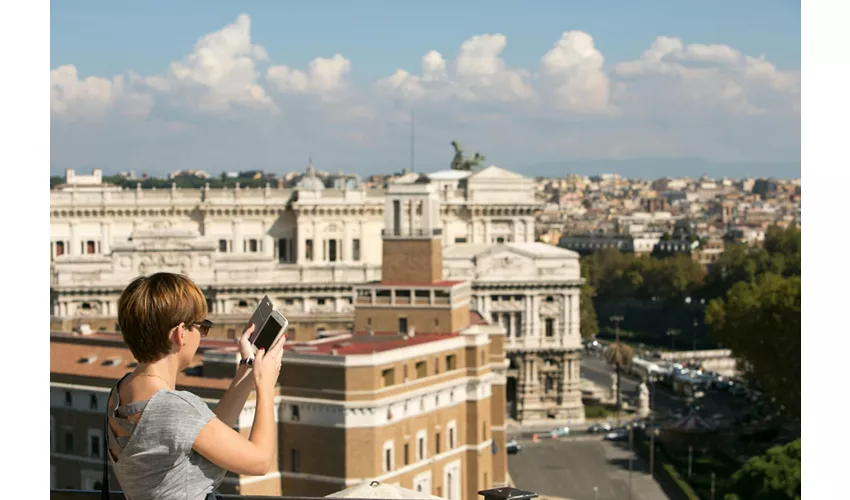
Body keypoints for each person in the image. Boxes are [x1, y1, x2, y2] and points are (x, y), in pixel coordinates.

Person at [104, 272, 285, 500]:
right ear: (180, 333)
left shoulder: (118, 395)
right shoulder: (174, 406)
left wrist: (247, 370)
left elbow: (204, 434)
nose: (202, 335)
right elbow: (260, 462)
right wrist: (265, 387)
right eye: (202, 326)